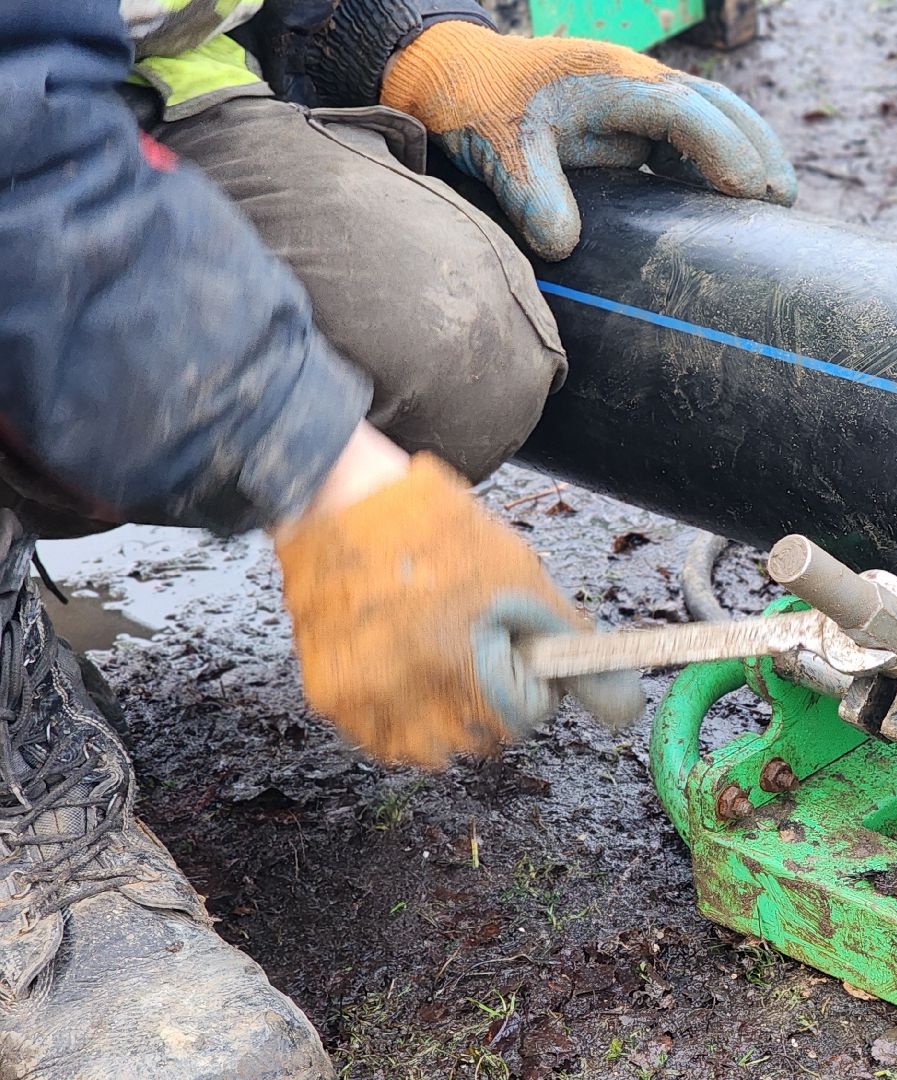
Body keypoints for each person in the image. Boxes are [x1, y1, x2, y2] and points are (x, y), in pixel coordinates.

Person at [0, 0, 794, 1073]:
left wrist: (390, 40)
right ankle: (33, 848)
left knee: (449, 331)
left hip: (102, 93)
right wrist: (309, 459)